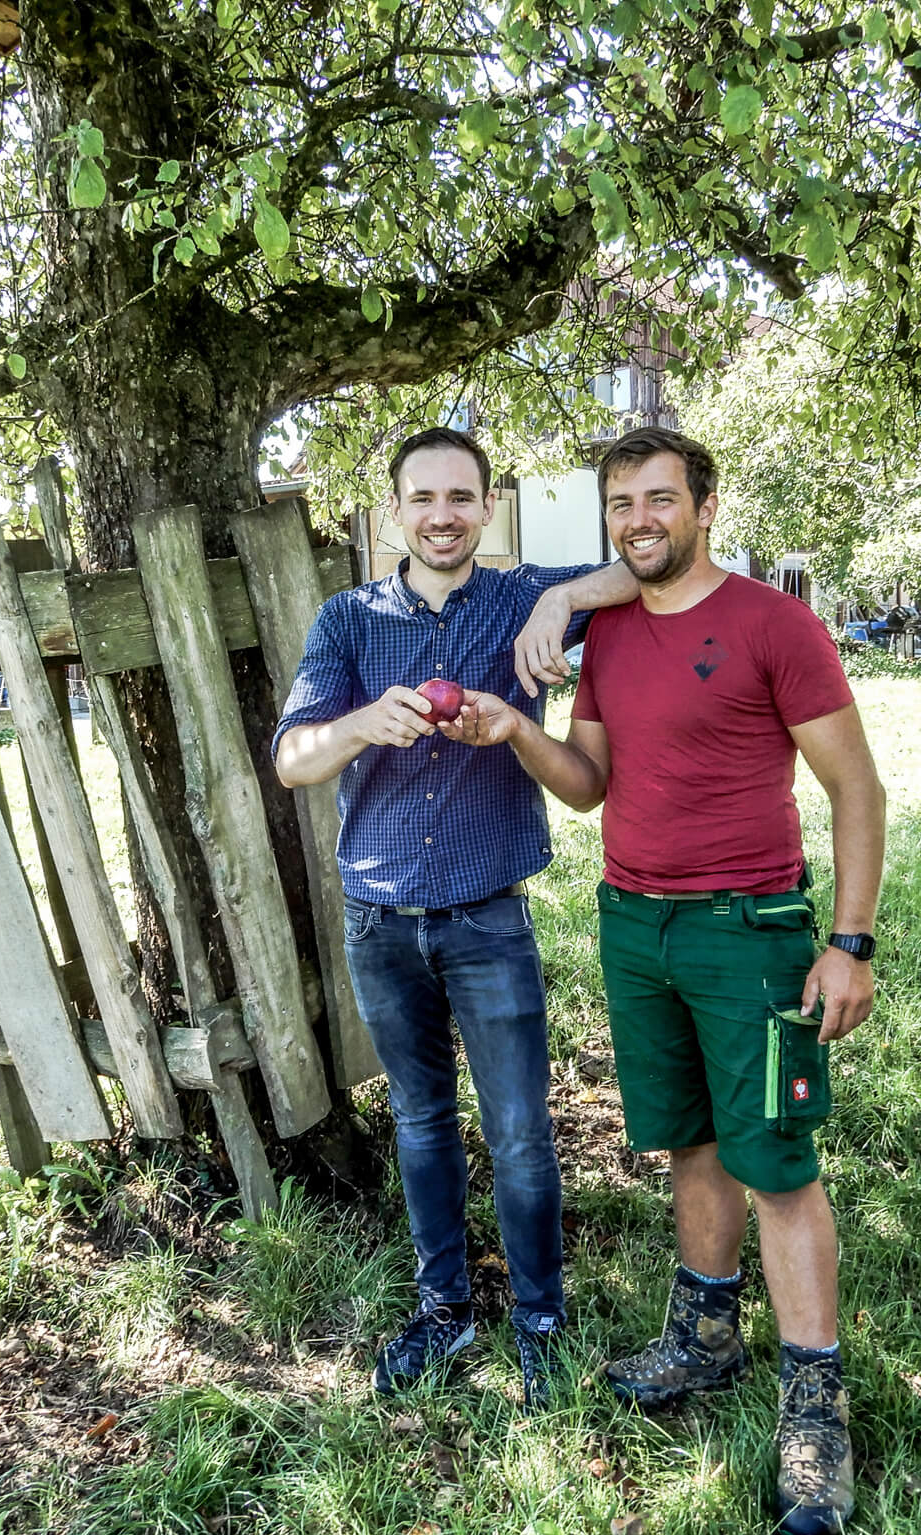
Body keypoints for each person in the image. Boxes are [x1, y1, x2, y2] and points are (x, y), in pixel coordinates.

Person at [438, 427, 886, 1534]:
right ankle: (703, 1337)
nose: (639, 520)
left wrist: (850, 942)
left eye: (658, 500)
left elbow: (856, 790)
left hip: (753, 931)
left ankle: (814, 1409)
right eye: (620, 506)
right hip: (636, 926)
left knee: (773, 1163)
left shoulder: (772, 627)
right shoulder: (608, 638)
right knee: (688, 1140)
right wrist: (512, 734)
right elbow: (587, 785)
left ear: (703, 505)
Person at [272, 426, 639, 1408]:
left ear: (486, 509)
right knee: (422, 1123)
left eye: (460, 498)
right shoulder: (349, 622)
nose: (441, 515)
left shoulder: (519, 598)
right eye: (422, 498)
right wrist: (358, 724)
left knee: (520, 1132)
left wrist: (559, 595)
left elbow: (638, 564)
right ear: (394, 511)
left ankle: (538, 1322)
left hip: (487, 921)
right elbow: (292, 758)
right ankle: (442, 1312)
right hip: (380, 923)